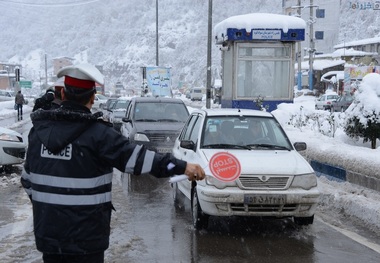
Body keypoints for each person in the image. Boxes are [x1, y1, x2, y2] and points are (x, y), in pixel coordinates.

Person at [20, 63, 205, 263]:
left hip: (49, 238)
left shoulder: (39, 133)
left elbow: (27, 180)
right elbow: (143, 161)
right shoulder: (99, 136)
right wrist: (181, 167)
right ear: (92, 98)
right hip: (87, 241)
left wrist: (51, 210)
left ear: (63, 94)